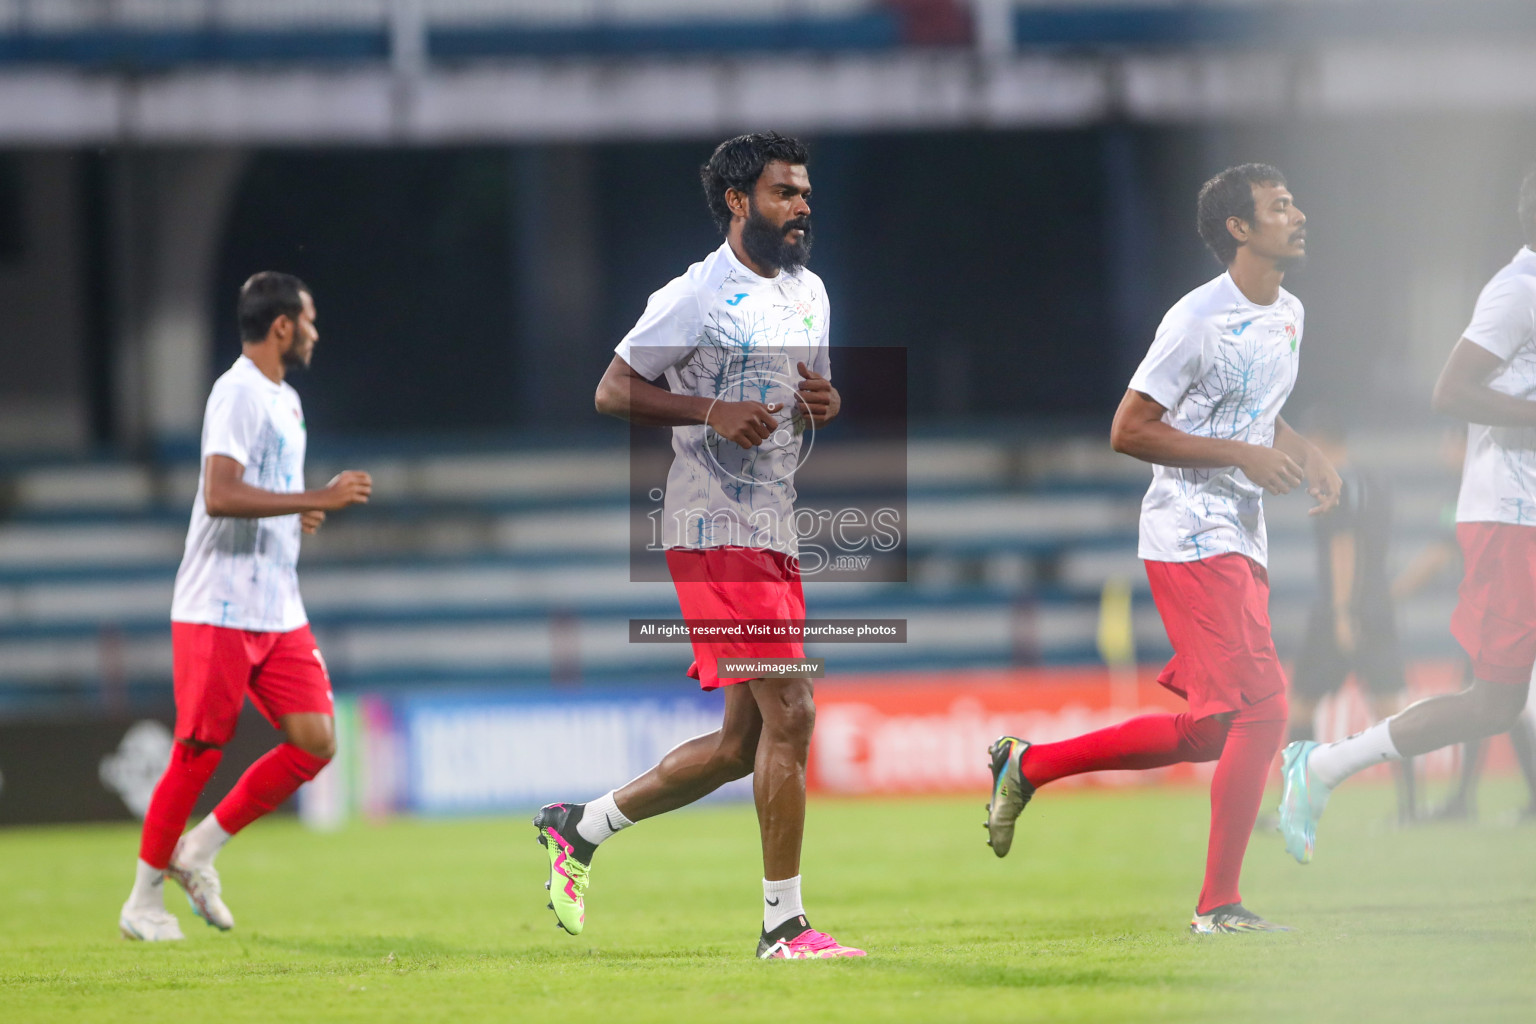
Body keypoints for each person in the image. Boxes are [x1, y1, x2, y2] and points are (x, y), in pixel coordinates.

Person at [533, 132, 863, 960]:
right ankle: (782, 928)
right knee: (795, 709)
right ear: (737, 201)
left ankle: (579, 828)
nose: (802, 206)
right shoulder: (694, 295)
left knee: (739, 747)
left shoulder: (810, 291)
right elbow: (612, 389)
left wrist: (824, 399)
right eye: (785, 193)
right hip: (714, 530)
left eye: (805, 192)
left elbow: (803, 394)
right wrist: (708, 410)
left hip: (775, 528)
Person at [986, 164, 1340, 934]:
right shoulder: (1196, 320)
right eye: (1280, 207)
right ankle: (1218, 906)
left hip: (1243, 536)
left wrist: (1301, 449)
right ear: (1239, 229)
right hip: (1188, 534)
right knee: (1266, 708)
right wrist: (1243, 458)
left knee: (1212, 731)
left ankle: (1029, 766)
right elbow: (1129, 429)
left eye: (1294, 201)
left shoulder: (1290, 313)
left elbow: (1253, 410)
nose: (1299, 215)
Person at [1278, 166, 1536, 862]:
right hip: (1513, 517)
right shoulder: (1518, 291)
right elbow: (1449, 390)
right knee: (1493, 705)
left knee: (1503, 704)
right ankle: (1323, 767)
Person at [118, 273, 372, 941]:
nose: (316, 333)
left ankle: (197, 852)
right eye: (309, 320)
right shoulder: (236, 393)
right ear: (282, 326)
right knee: (199, 748)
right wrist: (316, 493)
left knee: (316, 742)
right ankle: (143, 902)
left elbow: (266, 492)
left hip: (276, 605)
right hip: (218, 605)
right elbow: (222, 494)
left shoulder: (285, 400)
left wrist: (301, 510)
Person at [1392, 430, 1536, 823]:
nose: (1444, 450)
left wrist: (1396, 593)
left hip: (1499, 614)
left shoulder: (1474, 493)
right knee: (1498, 704)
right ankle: (1468, 797)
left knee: (1486, 702)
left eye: (1450, 442)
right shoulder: (1486, 488)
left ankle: (1465, 799)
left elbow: (1440, 552)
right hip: (1497, 611)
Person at [1286, 416, 1416, 823]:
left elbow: (1344, 543)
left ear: (1320, 441)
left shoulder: (1334, 482)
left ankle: (1297, 807)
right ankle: (1411, 808)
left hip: (1338, 610)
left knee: (1303, 706)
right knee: (1390, 710)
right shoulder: (1374, 480)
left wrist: (1342, 613)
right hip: (1378, 605)